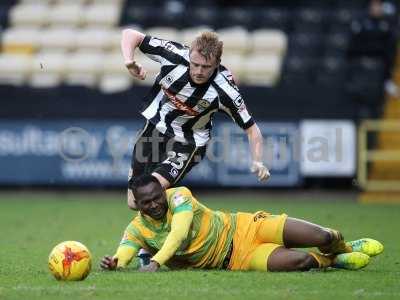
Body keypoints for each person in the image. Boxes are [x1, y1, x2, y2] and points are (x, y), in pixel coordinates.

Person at [101, 175, 384, 272]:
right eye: (146, 202)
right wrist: (115, 262)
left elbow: (178, 233)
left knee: (321, 235)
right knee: (302, 263)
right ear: (138, 205)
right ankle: (332, 262)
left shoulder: (180, 196)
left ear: (163, 192)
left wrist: (157, 261)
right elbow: (124, 252)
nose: (154, 205)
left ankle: (344, 247)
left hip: (245, 226)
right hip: (238, 258)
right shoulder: (137, 229)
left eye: (156, 197)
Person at [121, 29, 270, 210]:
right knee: (134, 203)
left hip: (189, 142)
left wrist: (257, 160)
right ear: (189, 55)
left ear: (217, 64)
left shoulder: (225, 91)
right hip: (155, 127)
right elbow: (130, 34)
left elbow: (252, 129)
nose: (199, 71)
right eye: (195, 64)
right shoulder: (174, 55)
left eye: (206, 67)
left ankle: (178, 229)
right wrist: (129, 61)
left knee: (152, 190)